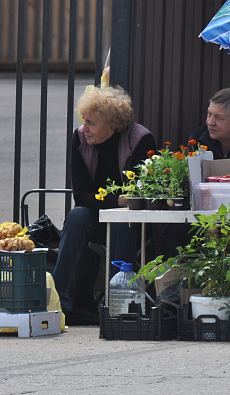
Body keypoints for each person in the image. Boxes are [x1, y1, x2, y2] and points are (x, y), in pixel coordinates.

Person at [52, 86, 157, 324]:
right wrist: (115, 201)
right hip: (95, 214)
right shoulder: (79, 138)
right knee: (77, 216)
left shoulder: (140, 139)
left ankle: (118, 305)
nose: (85, 128)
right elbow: (81, 195)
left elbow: (142, 195)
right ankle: (58, 303)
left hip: (134, 221)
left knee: (120, 221)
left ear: (111, 126)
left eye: (92, 123)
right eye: (84, 120)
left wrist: (119, 204)